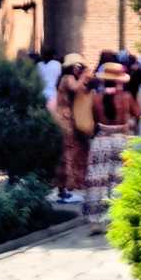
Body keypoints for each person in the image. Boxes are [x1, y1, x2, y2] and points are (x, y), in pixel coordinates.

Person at [82, 61, 140, 234]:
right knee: (119, 180)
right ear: (120, 80)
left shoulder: (96, 98)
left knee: (98, 182)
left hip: (101, 141)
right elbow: (138, 114)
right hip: (121, 140)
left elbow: (93, 119)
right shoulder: (127, 97)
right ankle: (115, 219)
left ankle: (95, 221)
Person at [53, 54, 92, 204]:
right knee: (67, 154)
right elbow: (76, 87)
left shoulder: (65, 79)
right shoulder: (68, 78)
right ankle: (66, 189)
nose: (78, 70)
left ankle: (64, 189)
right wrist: (83, 76)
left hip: (64, 118)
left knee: (66, 154)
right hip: (65, 119)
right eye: (77, 67)